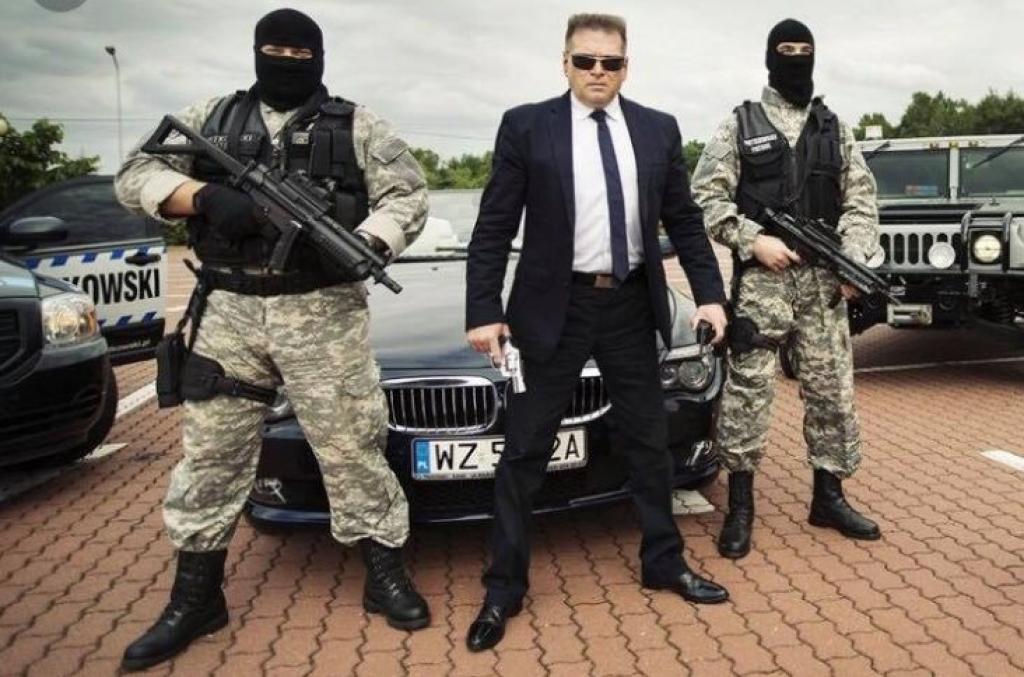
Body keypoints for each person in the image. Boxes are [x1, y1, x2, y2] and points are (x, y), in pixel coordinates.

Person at [114, 8, 430, 671]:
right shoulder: (211, 116)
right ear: (257, 52)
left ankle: (385, 573)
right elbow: (134, 174)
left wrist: (368, 241)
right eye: (275, 51)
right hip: (228, 310)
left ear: (321, 58)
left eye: (300, 54)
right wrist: (200, 197)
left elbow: (408, 196)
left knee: (352, 446)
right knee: (211, 455)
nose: (287, 63)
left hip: (323, 311)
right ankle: (195, 598)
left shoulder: (358, 124)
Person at [463, 13, 731, 653]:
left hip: (630, 307)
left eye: (610, 63)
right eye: (585, 61)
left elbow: (685, 221)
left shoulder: (658, 130)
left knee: (648, 441)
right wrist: (483, 310)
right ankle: (504, 586)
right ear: (565, 63)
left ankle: (663, 561)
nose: (597, 73)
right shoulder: (527, 127)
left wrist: (711, 296)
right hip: (552, 308)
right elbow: (494, 225)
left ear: (626, 67)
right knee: (525, 449)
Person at [691, 18, 882, 561]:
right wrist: (753, 240)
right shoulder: (739, 124)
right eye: (786, 49)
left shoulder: (834, 128)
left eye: (804, 49)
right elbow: (705, 197)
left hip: (823, 283)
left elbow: (862, 201)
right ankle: (740, 506)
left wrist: (851, 258)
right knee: (748, 391)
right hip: (763, 285)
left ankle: (829, 497)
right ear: (770, 57)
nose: (796, 58)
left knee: (831, 390)